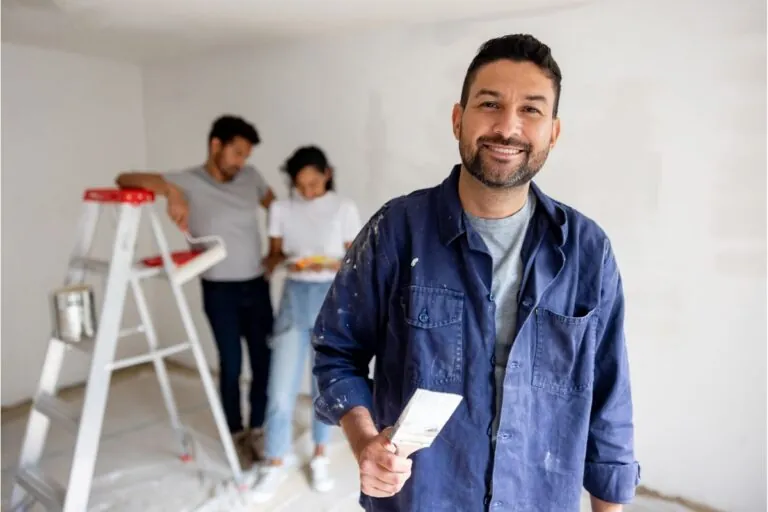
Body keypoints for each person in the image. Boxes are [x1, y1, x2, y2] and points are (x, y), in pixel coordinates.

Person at [311, 34, 640, 512]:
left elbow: (609, 402)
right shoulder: (397, 231)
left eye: (531, 109)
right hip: (421, 499)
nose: (507, 127)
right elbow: (336, 352)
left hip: (538, 499)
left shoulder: (587, 251)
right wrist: (364, 442)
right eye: (490, 104)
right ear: (458, 119)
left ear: (553, 131)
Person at [115, 114, 276, 468]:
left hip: (256, 286)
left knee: (264, 362)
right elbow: (124, 179)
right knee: (231, 365)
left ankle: (259, 430)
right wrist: (172, 193)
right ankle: (235, 433)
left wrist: (275, 254)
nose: (241, 162)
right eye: (236, 153)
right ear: (215, 145)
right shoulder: (187, 180)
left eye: (246, 155)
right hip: (219, 291)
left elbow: (278, 209)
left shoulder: (251, 178)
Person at [248, 145, 362, 502]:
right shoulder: (282, 209)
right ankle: (274, 458)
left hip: (332, 298)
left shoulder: (344, 208)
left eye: (314, 182)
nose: (308, 191)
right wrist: (275, 264)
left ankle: (320, 454)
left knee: (322, 387)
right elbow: (277, 253)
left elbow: (355, 258)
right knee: (279, 387)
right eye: (301, 185)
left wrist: (327, 266)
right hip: (294, 297)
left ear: (326, 173)